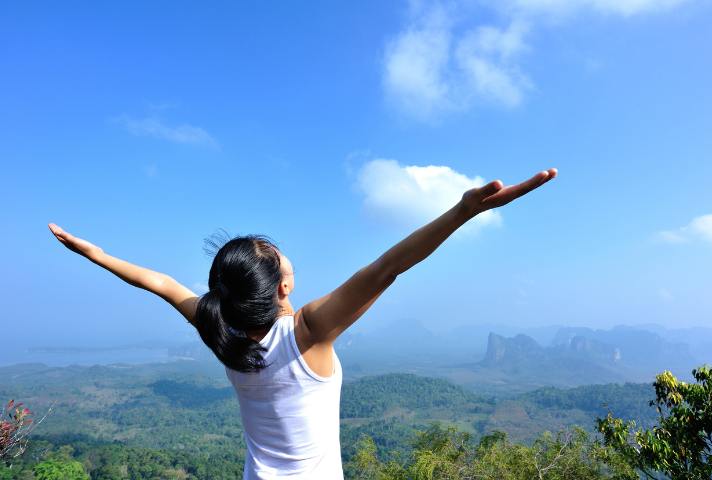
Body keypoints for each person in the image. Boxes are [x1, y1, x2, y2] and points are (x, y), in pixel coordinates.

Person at [48, 167, 558, 479]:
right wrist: (461, 212)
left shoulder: (217, 328)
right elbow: (387, 268)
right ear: (283, 287)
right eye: (277, 255)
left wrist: (93, 251)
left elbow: (158, 283)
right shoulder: (307, 331)